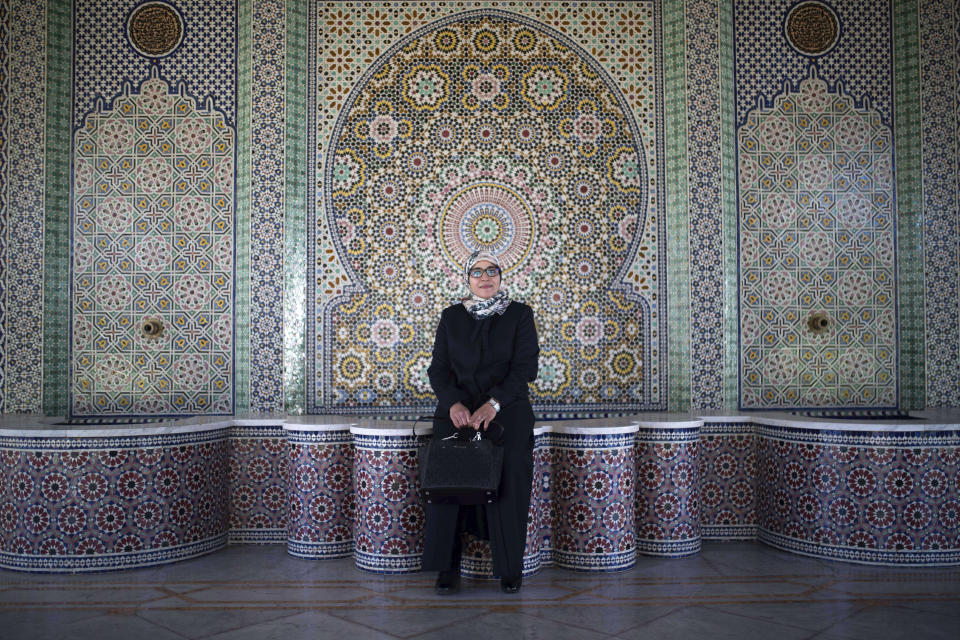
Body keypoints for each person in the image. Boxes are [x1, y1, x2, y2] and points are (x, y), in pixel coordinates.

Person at [422, 250, 539, 594]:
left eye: (492, 270)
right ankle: (446, 567)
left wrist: (495, 403)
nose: (485, 276)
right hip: (458, 410)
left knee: (513, 465)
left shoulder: (519, 315)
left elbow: (525, 368)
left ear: (501, 276)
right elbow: (438, 370)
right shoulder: (452, 317)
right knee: (445, 469)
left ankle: (509, 567)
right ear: (467, 278)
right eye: (477, 271)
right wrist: (453, 403)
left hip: (508, 408)